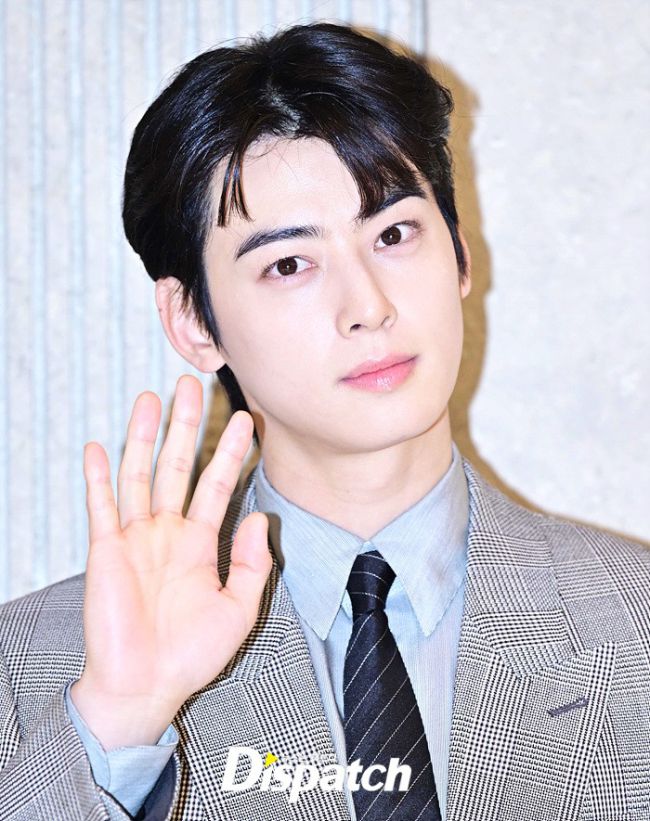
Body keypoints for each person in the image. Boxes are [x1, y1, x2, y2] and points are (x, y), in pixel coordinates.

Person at [0, 20, 648, 821]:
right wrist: (119, 728)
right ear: (193, 321)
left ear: (460, 253)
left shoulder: (635, 622)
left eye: (394, 233)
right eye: (289, 264)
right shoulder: (30, 671)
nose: (367, 305)